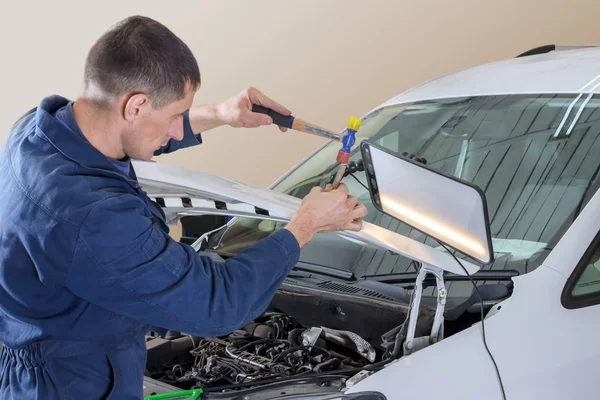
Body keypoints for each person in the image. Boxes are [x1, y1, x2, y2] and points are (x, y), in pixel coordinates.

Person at [0, 15, 367, 399]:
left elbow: (125, 141)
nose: (176, 129)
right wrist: (305, 225)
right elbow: (217, 303)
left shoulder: (39, 131)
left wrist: (220, 115)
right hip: (75, 384)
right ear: (136, 105)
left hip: (39, 365)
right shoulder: (92, 215)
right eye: (176, 115)